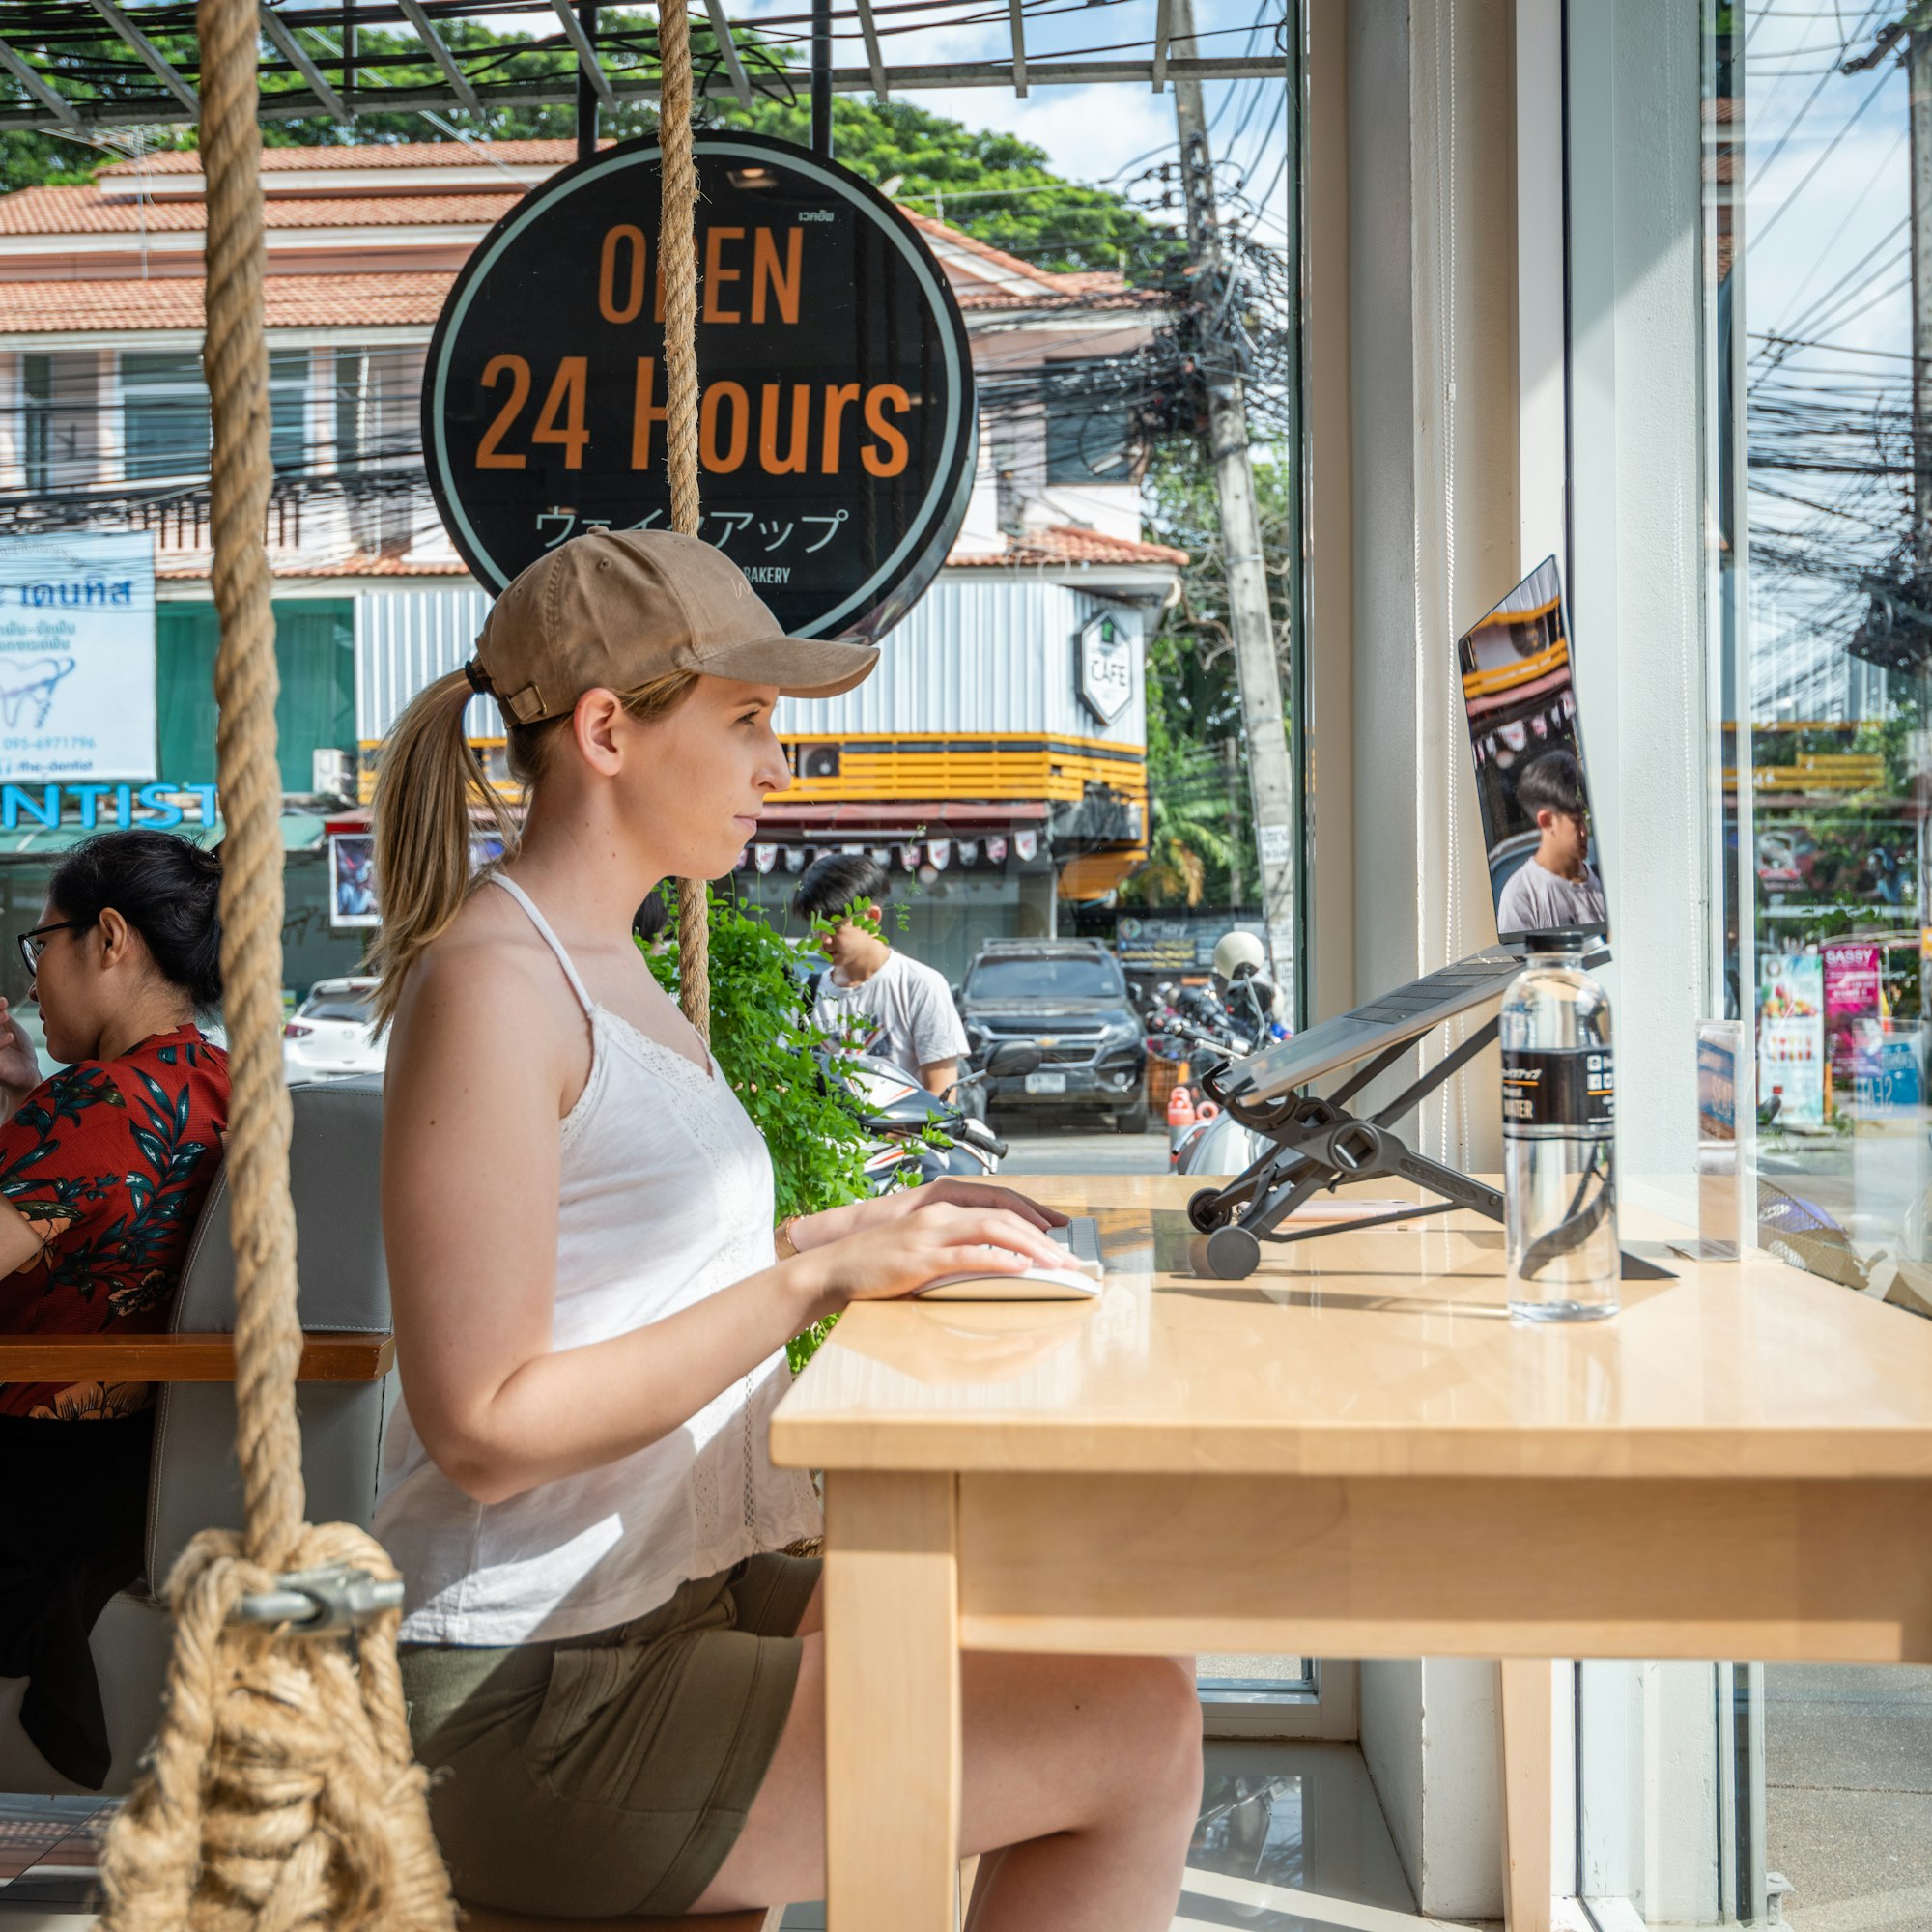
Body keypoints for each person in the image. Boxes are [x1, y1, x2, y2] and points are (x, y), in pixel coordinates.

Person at [370, 530, 1201, 1929]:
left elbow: (635, 1281)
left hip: (666, 1604)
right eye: (748, 719)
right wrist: (815, 1274)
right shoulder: (496, 987)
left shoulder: (609, 964)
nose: (779, 762)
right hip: (525, 1691)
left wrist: (880, 1222)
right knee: (1138, 1732)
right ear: (605, 733)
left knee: (1077, 1632)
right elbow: (487, 1423)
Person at [0, 829, 229, 1789]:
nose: (32, 978)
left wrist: (41, 1112)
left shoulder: (101, 1103)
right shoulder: (211, 1082)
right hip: (123, 1475)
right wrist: (23, 1105)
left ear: (107, 937)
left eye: (38, 944)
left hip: (31, 1496)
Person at [793, 851, 970, 1094]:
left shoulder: (919, 985)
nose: (823, 939)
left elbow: (941, 1098)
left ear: (872, 917)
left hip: (908, 1131)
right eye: (816, 927)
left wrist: (893, 1133)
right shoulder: (806, 993)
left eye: (834, 927)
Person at [1494, 748, 1608, 935]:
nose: (1583, 832)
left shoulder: (1603, 880)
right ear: (1546, 821)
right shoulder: (1521, 898)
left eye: (1585, 819)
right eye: (1576, 821)